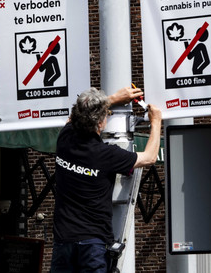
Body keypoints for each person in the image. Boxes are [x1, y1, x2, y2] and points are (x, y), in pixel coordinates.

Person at [50, 86, 162, 273]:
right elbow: (150, 157)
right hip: (93, 243)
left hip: (63, 240)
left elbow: (75, 117)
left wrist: (110, 100)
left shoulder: (64, 138)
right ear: (101, 124)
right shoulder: (106, 154)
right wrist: (156, 121)